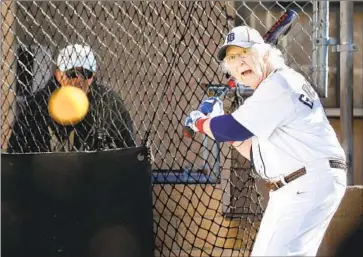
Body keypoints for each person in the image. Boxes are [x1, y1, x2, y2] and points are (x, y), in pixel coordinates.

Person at [185, 26, 347, 256]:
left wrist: (200, 122)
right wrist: (215, 123)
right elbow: (253, 150)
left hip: (308, 182)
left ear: (265, 54)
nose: (240, 63)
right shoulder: (272, 89)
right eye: (232, 58)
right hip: (296, 184)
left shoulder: (278, 84)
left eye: (245, 53)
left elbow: (231, 128)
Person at [7, 44, 136, 153]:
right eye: (71, 72)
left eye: (86, 73)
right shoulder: (36, 106)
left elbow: (128, 148)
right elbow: (15, 152)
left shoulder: (110, 104)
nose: (78, 79)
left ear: (92, 77)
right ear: (58, 75)